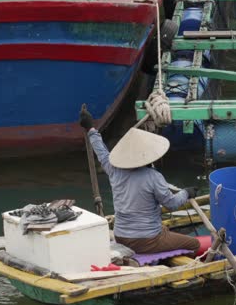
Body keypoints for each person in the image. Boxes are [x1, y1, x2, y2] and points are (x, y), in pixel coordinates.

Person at [79, 107, 200, 255]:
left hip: (121, 236)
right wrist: (186, 193)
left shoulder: (114, 169)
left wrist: (90, 128)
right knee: (194, 243)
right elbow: (171, 203)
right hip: (146, 240)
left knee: (163, 229)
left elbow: (101, 153)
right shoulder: (153, 177)